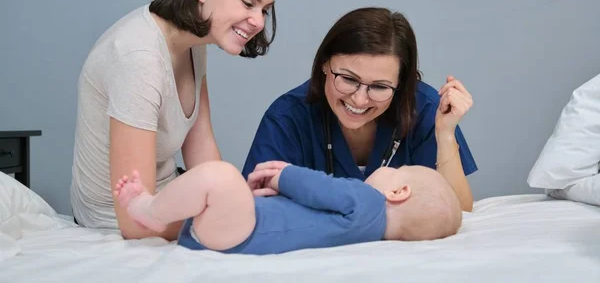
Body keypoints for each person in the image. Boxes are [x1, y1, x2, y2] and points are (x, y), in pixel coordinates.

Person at [70, 0, 285, 240]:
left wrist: (233, 198)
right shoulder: (138, 57)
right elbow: (133, 221)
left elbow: (202, 151)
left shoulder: (193, 42)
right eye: (248, 2)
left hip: (168, 201)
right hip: (116, 221)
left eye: (265, 9)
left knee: (261, 210)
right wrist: (224, 210)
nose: (257, 21)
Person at [242, 7, 477, 212]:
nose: (360, 99)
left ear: (401, 84)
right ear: (325, 64)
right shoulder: (288, 117)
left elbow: (459, 209)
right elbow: (259, 205)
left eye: (379, 86)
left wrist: (445, 134)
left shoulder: (426, 110)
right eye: (347, 78)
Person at [112, 159, 463, 255]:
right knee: (216, 191)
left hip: (246, 231)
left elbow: (323, 190)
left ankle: (150, 211)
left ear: (398, 191)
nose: (386, 168)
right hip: (239, 233)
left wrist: (285, 176)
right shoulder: (369, 235)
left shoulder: (368, 202)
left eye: (396, 169)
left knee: (220, 177)